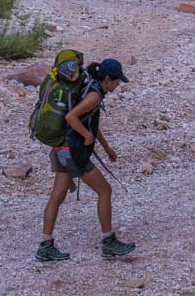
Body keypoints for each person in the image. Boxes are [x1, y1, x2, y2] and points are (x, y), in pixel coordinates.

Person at [36, 57, 136, 263]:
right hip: (72, 152)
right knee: (105, 191)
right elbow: (71, 117)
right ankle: (109, 242)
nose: (118, 85)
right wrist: (87, 137)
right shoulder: (94, 95)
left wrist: (106, 146)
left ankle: (45, 246)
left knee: (57, 195)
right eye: (117, 81)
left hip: (60, 148)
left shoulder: (90, 86)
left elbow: (88, 120)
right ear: (107, 79)